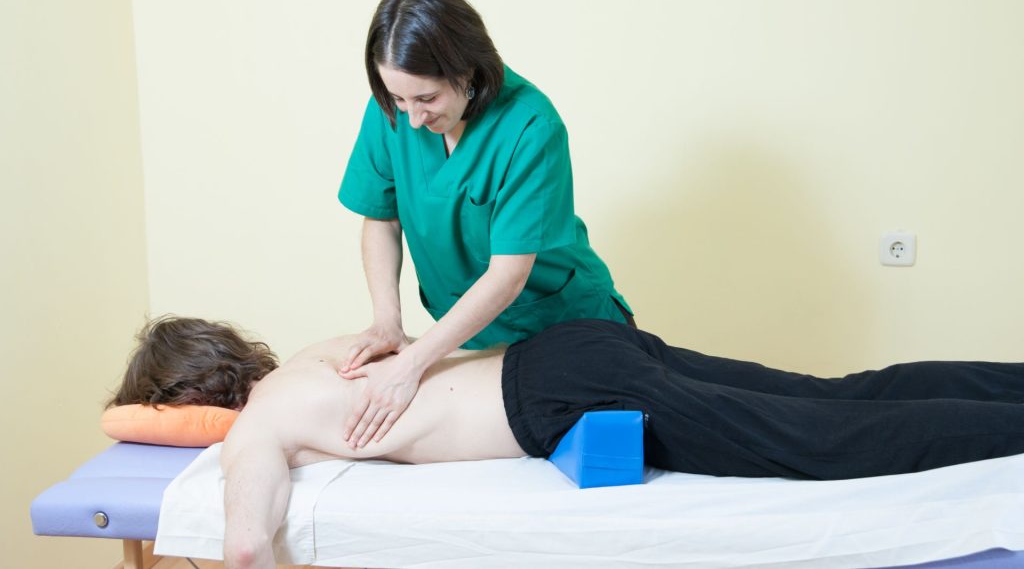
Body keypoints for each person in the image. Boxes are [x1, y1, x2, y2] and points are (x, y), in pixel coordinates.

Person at [112, 315, 1024, 569]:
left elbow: (244, 544)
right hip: (572, 346)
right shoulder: (323, 351)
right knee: (835, 395)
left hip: (562, 393)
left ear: (186, 401)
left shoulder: (260, 423)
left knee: (824, 442)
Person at [336, 0, 633, 449]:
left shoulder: (530, 125)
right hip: (473, 341)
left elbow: (508, 275)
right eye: (399, 100)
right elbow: (382, 217)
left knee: (606, 451)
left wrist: (412, 364)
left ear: (467, 68)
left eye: (427, 99)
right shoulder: (393, 107)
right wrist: (386, 323)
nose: (412, 118)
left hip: (563, 325)